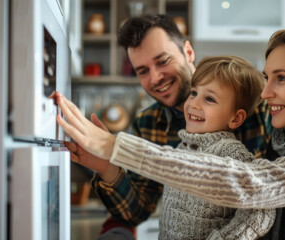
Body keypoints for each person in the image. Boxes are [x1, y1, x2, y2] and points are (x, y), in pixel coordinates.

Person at [56, 27, 285, 239]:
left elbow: (249, 185)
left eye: (280, 78)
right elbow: (140, 207)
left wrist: (115, 144)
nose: (265, 94)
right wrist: (106, 163)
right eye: (142, 70)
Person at [65, 14, 271, 238]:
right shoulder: (149, 122)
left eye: (163, 61)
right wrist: (106, 167)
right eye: (143, 71)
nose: (155, 78)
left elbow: (265, 202)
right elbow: (136, 212)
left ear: (188, 52)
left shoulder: (260, 109)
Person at [156, 55, 275, 239]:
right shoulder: (182, 148)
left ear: (235, 118)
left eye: (209, 99)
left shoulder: (230, 153)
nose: (194, 104)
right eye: (194, 93)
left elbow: (261, 210)